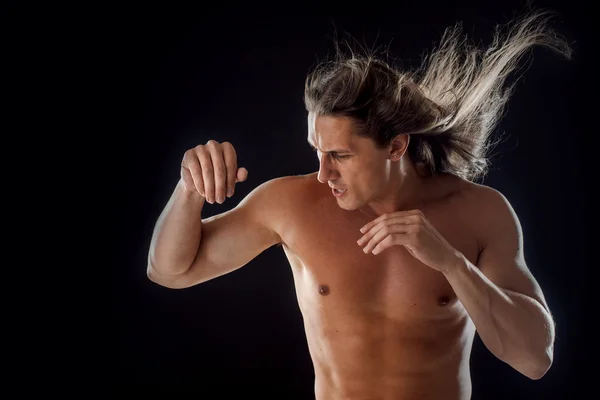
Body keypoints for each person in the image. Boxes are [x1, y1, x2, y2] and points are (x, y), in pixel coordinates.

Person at [147, 9, 572, 400]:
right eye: (318, 151)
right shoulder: (291, 205)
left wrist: (451, 263)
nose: (323, 173)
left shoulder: (479, 211)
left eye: (341, 156)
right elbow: (169, 271)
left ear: (396, 147)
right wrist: (187, 190)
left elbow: (534, 359)